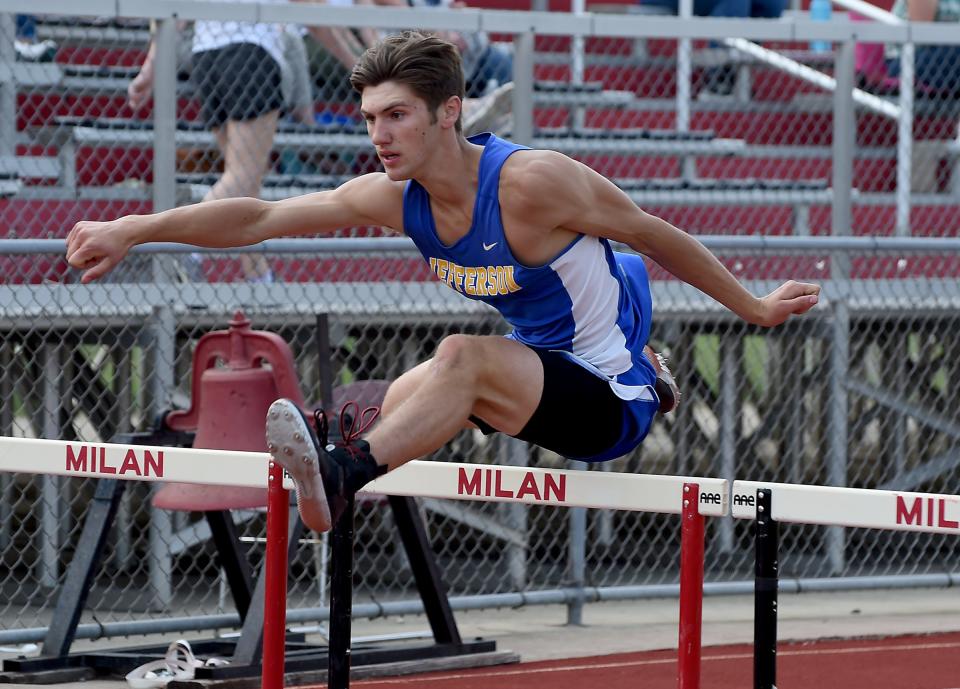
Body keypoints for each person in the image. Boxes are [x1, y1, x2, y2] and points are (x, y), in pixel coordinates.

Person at [66, 31, 821, 534]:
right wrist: (134, 229)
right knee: (396, 398)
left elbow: (654, 237)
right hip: (544, 370)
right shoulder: (395, 198)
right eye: (369, 118)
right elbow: (260, 216)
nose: (379, 136)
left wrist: (753, 306)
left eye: (396, 116)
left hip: (605, 403)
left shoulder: (533, 184)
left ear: (450, 111)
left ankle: (341, 473)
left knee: (460, 355)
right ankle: (346, 440)